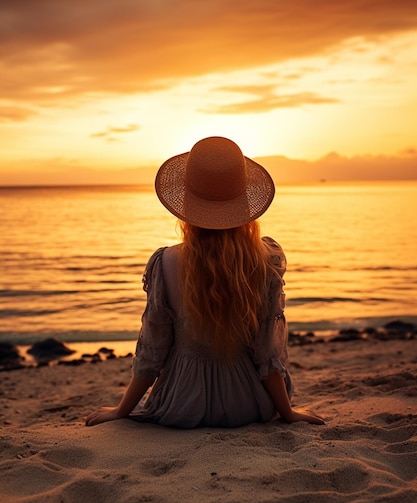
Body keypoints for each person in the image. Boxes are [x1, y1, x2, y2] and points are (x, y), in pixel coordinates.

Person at [86, 136, 324, 428]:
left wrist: (122, 409)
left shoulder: (166, 263)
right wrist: (287, 413)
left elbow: (153, 349)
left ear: (186, 204)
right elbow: (267, 352)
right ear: (244, 204)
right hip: (246, 404)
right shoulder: (264, 262)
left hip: (180, 404)